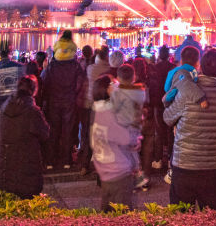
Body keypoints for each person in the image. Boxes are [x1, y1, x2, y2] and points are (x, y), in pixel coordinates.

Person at [163, 47, 216, 210]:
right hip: (212, 165)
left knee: (181, 216)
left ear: (200, 66)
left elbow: (167, 118)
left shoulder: (187, 91)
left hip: (184, 164)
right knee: (211, 216)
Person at [0, 76, 49, 199]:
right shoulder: (32, 111)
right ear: (34, 90)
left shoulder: (5, 107)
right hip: (25, 166)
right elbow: (44, 133)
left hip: (4, 166)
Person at [91, 74, 141, 211]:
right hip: (118, 171)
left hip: (105, 171)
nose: (118, 87)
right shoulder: (110, 113)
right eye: (114, 84)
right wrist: (135, 139)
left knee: (108, 215)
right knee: (122, 215)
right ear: (108, 90)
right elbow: (125, 138)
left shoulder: (98, 110)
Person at [40, 35, 87, 171]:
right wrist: (72, 93)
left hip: (54, 101)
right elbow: (80, 82)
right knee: (67, 131)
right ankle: (66, 160)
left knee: (53, 130)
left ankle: (50, 161)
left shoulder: (52, 66)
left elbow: (44, 81)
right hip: (69, 102)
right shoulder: (75, 66)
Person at [0, 44, 25, 182]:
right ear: (10, 52)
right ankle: (14, 172)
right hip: (14, 109)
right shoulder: (19, 67)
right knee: (14, 142)